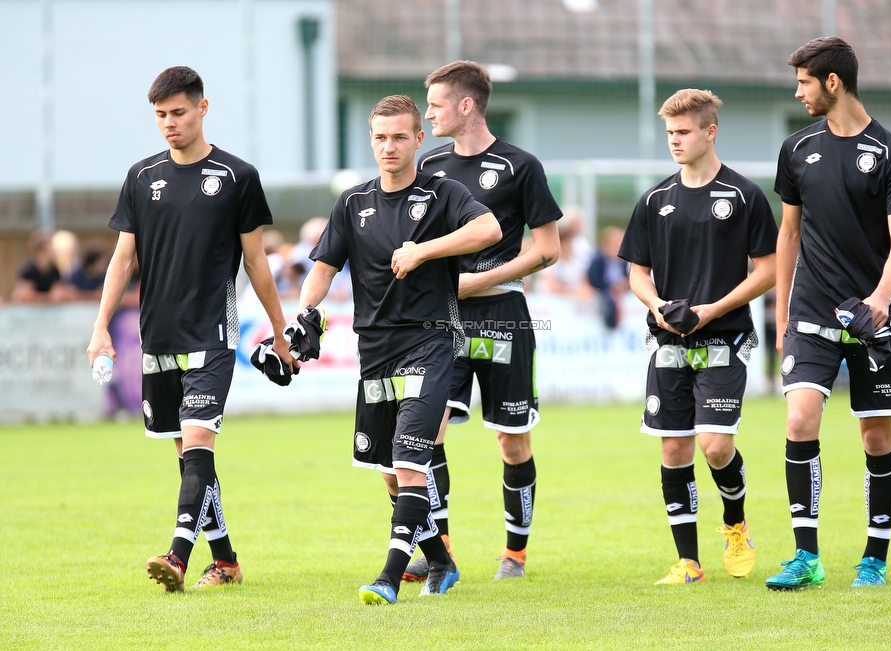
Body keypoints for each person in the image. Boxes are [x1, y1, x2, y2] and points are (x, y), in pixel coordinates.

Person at [86, 66, 295, 593]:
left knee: (200, 440)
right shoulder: (140, 176)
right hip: (158, 335)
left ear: (203, 108)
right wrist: (101, 327)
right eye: (160, 115)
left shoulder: (236, 176)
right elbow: (122, 258)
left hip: (213, 332)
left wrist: (278, 328)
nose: (169, 124)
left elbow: (256, 261)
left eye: (178, 112)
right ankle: (224, 561)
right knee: (187, 455)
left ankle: (177, 555)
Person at [295, 94, 500, 605]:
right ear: (371, 140)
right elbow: (323, 268)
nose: (389, 146)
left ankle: (387, 577)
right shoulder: (352, 202)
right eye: (380, 137)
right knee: (390, 474)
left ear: (418, 139)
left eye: (400, 137)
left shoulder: (443, 193)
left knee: (411, 463)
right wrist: (306, 313)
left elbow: (489, 228)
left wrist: (425, 249)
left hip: (432, 341)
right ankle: (442, 561)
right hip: (375, 349)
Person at [766, 37, 891, 591]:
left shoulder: (889, 154)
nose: (798, 90)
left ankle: (874, 557)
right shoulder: (796, 147)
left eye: (805, 81)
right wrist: (782, 314)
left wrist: (879, 301)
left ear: (833, 82)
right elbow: (788, 233)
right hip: (810, 310)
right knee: (800, 419)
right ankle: (806, 556)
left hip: (872, 315)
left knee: (877, 438)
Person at [403, 60, 562, 583]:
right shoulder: (429, 167)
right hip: (441, 320)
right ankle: (439, 550)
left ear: (465, 105)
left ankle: (514, 553)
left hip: (502, 314)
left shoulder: (520, 165)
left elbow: (549, 250)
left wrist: (480, 279)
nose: (428, 114)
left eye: (435, 104)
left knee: (511, 439)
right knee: (428, 433)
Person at [618, 88, 778, 585]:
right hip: (667, 341)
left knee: (714, 446)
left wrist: (713, 309)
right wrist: (656, 304)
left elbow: (769, 270)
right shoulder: (654, 199)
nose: (675, 140)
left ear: (710, 132)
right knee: (674, 451)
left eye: (683, 131)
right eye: (669, 132)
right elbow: (637, 273)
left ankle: (735, 524)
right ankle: (689, 563)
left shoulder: (745, 195)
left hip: (725, 339)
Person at [12, 230, 70, 304]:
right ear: (41, 251)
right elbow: (23, 296)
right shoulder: (28, 270)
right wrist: (47, 297)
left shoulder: (54, 270)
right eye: (50, 249)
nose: (53, 252)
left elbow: (58, 294)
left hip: (49, 310)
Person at [587, 226, 629, 329]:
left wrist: (624, 285)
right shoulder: (598, 261)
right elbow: (594, 280)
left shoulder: (625, 262)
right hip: (603, 295)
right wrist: (611, 287)